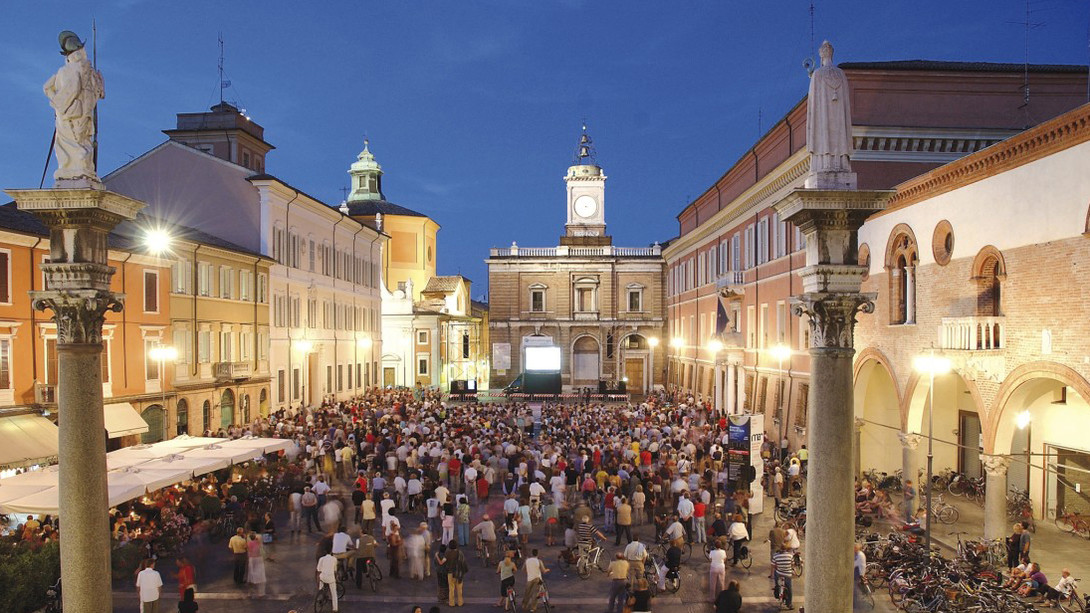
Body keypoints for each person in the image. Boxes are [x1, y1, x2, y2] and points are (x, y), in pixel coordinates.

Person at [522, 548, 549, 613]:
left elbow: (523, 569)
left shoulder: (527, 560)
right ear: (537, 554)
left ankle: (524, 606)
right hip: (537, 578)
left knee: (527, 593)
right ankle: (533, 608)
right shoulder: (539, 561)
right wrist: (547, 570)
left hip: (529, 578)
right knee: (535, 594)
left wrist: (528, 572)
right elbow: (543, 570)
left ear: (532, 553)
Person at [446, 541, 468, 607]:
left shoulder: (447, 553)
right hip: (459, 573)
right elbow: (463, 563)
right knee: (459, 589)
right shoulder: (460, 553)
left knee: (451, 589)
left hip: (450, 573)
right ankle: (460, 602)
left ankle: (451, 603)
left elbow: (445, 563)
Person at [247, 532, 267, 597]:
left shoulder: (249, 543)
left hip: (252, 558)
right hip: (258, 558)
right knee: (259, 570)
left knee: (252, 570)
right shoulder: (258, 543)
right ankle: (260, 590)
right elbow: (261, 548)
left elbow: (248, 550)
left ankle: (253, 580)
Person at [708, 537, 728, 601]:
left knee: (712, 583)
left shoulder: (712, 552)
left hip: (714, 567)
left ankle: (712, 598)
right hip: (721, 567)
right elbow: (724, 559)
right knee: (722, 582)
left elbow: (710, 559)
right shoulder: (723, 552)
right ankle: (722, 597)